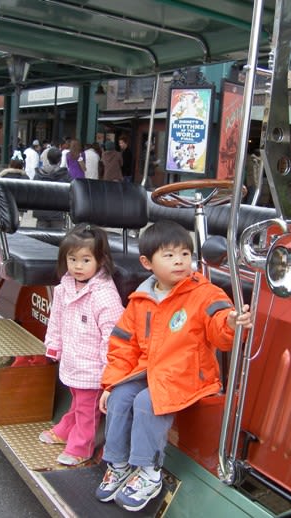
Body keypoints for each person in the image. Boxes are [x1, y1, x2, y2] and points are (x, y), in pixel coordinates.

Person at [95, 220, 252, 512]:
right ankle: (117, 464)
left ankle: (149, 473)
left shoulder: (205, 294)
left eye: (185, 254)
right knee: (119, 396)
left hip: (188, 373)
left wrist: (231, 323)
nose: (179, 261)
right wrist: (111, 383)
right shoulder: (140, 300)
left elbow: (220, 325)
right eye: (169, 255)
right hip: (150, 370)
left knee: (147, 401)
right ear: (147, 262)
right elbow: (122, 346)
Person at [39, 224, 124, 466]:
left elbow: (112, 336)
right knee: (77, 398)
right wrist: (54, 346)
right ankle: (66, 428)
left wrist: (110, 369)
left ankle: (80, 447)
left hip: (94, 368)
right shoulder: (65, 287)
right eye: (72, 259)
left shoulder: (104, 295)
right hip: (73, 361)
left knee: (88, 410)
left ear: (100, 261)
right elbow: (56, 319)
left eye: (86, 260)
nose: (77, 266)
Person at [33, 147, 71, 228]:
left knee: (40, 238)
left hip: (41, 213)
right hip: (58, 213)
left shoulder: (38, 175)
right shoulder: (65, 176)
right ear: (60, 160)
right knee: (58, 238)